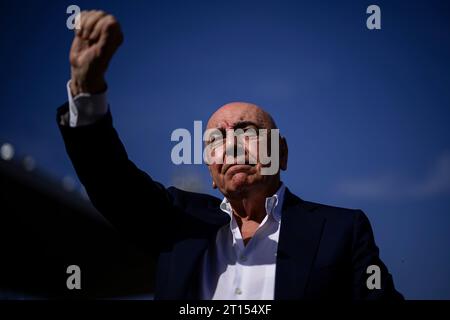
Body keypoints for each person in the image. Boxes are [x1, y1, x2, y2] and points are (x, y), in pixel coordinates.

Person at [57, 10, 403, 300]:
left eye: (246, 132)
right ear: (210, 169)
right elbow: (110, 180)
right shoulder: (176, 223)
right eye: (215, 140)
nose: (232, 146)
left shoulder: (342, 230)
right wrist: (87, 90)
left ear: (280, 154)